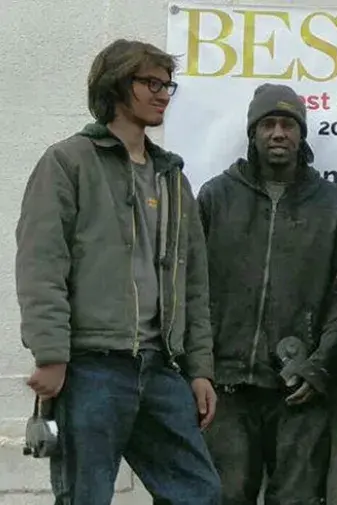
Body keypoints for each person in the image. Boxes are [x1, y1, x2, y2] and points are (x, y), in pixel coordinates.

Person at [15, 39, 221, 503]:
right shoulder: (68, 162)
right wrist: (51, 353)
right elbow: (41, 265)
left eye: (168, 85)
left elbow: (194, 283)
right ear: (116, 84)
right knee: (85, 496)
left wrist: (199, 370)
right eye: (151, 83)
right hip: (91, 367)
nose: (163, 94)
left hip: (161, 366)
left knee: (199, 493)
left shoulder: (173, 178)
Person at [196, 83, 337, 505]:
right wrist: (199, 366)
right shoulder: (216, 197)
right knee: (224, 495)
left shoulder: (335, 207)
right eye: (267, 124)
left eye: (288, 125)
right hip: (226, 384)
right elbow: (190, 285)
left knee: (298, 499)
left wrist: (319, 367)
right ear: (252, 133)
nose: (278, 133)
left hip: (300, 388)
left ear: (301, 135)